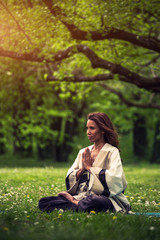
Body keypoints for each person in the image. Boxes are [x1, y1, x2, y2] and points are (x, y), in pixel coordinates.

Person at [38, 112, 130, 213]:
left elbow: (115, 178)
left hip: (104, 198)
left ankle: (74, 203)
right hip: (83, 197)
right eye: (87, 128)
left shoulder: (112, 151)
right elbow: (71, 178)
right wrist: (82, 169)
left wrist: (90, 168)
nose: (88, 132)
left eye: (92, 128)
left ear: (103, 130)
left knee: (97, 201)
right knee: (44, 202)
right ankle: (81, 206)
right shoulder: (83, 152)